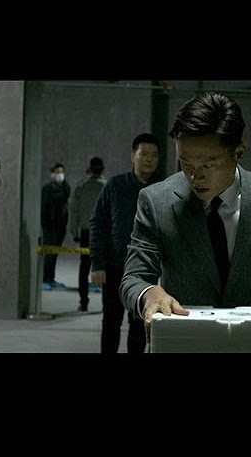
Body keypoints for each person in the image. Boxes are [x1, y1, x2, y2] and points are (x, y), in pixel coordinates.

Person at [120, 92, 251, 340]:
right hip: (183, 340)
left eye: (207, 165)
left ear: (239, 153)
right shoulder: (156, 201)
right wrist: (149, 293)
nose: (195, 176)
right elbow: (134, 277)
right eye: (185, 163)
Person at [89, 134, 161, 354]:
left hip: (146, 270)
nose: (149, 159)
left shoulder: (162, 189)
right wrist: (97, 263)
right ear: (133, 156)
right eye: (144, 153)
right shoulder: (115, 185)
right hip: (114, 267)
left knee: (139, 323)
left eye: (154, 155)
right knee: (111, 321)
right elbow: (97, 224)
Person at [69, 156, 106, 311]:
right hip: (103, 232)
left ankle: (83, 302)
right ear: (103, 170)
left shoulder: (81, 187)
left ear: (90, 169)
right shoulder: (107, 186)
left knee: (84, 268)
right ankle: (106, 304)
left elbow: (74, 212)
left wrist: (74, 231)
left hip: (86, 231)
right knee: (105, 267)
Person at [41, 162, 70, 290]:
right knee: (49, 254)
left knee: (55, 253)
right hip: (50, 226)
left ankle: (51, 278)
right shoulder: (47, 189)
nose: (60, 175)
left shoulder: (65, 187)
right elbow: (43, 208)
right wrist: (46, 225)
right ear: (52, 174)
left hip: (61, 226)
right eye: (57, 172)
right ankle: (45, 279)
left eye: (62, 172)